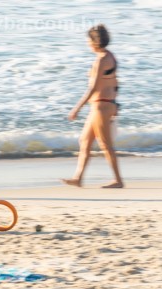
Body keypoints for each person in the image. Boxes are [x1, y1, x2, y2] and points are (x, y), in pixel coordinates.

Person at [62, 24, 124, 189]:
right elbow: (116, 83)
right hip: (104, 104)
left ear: (94, 42)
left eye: (88, 40)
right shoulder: (111, 57)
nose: (87, 43)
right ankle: (78, 178)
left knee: (105, 144)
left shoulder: (101, 60)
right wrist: (114, 103)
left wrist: (77, 108)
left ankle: (118, 181)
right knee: (85, 141)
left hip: (100, 106)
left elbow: (93, 88)